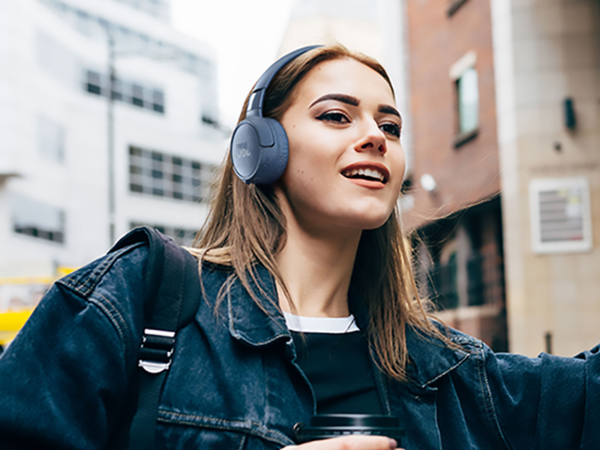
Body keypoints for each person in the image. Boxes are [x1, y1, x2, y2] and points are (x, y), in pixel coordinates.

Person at [0, 44, 599, 450]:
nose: (374, 137)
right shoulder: (136, 299)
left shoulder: (444, 369)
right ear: (260, 148)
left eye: (390, 127)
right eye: (337, 116)